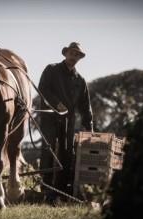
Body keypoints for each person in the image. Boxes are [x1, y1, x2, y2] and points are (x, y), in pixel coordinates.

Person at [38, 42, 93, 196]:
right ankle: (45, 188)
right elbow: (42, 88)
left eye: (77, 55)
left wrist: (89, 127)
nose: (73, 57)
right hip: (49, 116)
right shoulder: (51, 69)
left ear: (79, 58)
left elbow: (85, 105)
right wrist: (57, 103)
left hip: (69, 121)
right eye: (71, 53)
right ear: (66, 53)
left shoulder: (80, 80)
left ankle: (60, 190)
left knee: (66, 154)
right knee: (48, 150)